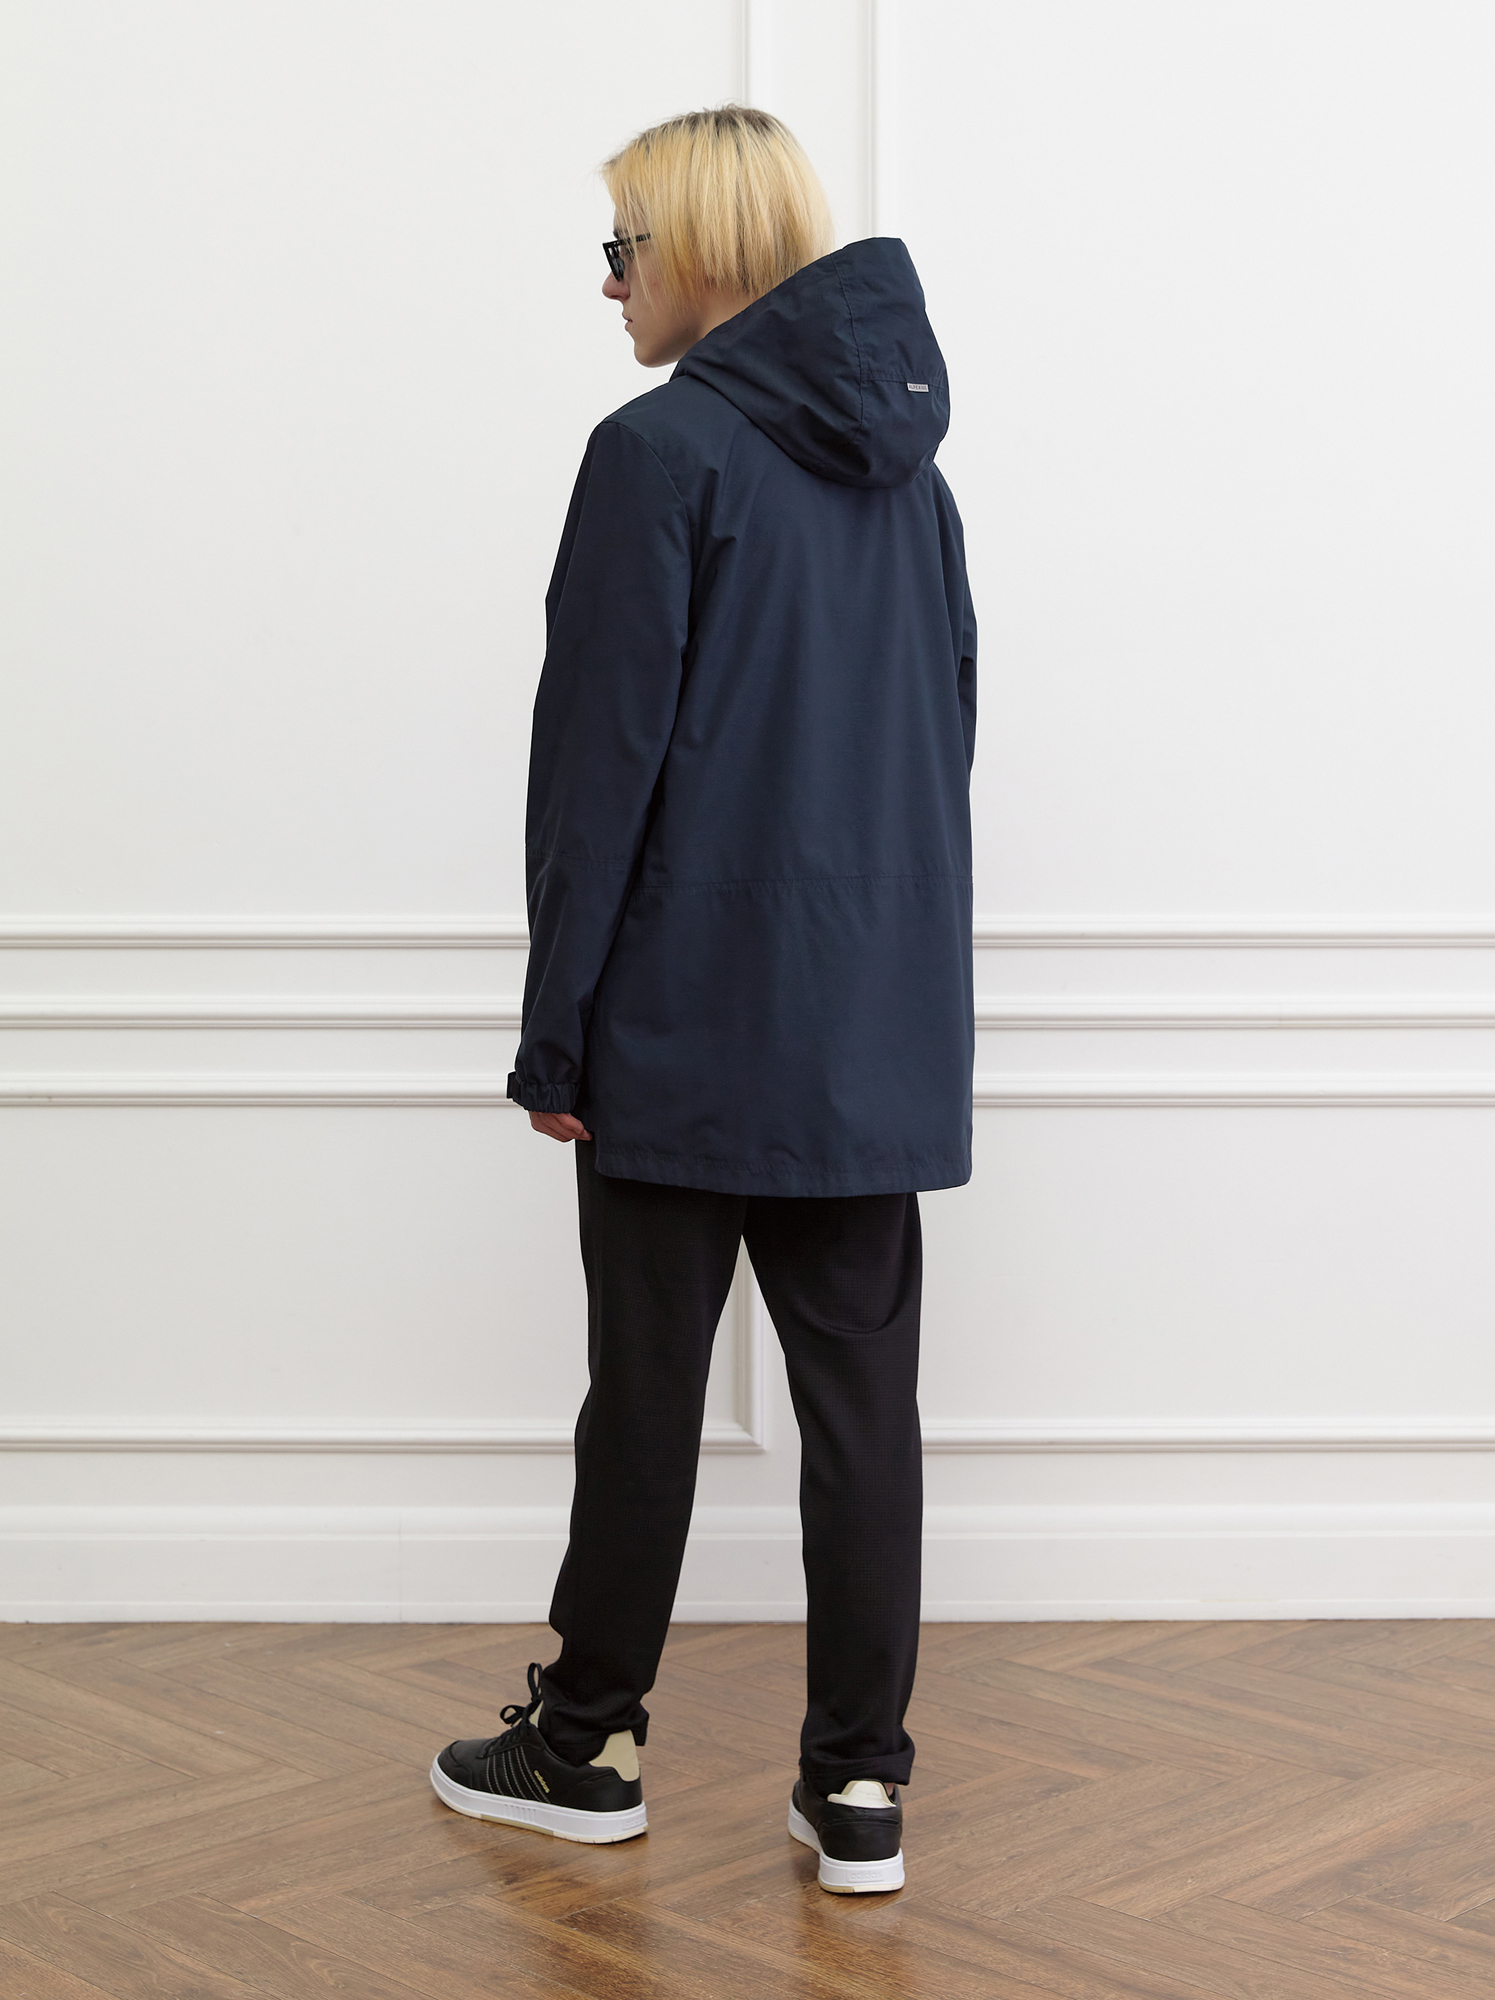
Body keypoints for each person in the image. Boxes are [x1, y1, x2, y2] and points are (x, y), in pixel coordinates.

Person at [430, 105, 976, 1896]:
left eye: (623, 249)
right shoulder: (918, 484)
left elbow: (597, 772)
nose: (609, 284)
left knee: (647, 1398)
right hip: (870, 1027)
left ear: (700, 252)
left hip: (677, 1022)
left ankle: (587, 1744)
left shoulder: (655, 453)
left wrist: (557, 1030)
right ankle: (862, 1786)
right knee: (865, 1414)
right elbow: (946, 743)